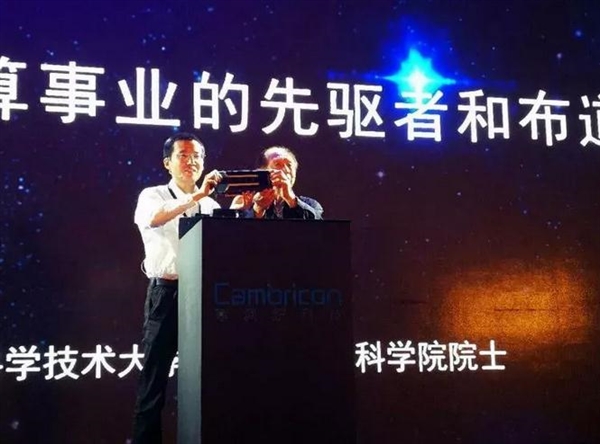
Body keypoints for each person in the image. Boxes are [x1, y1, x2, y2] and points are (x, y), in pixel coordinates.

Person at [131, 132, 222, 444]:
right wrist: (196, 197)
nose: (191, 161)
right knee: (154, 381)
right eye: (183, 155)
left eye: (197, 156)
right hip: (167, 294)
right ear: (167, 163)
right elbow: (155, 219)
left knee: (208, 379)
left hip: (205, 298)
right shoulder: (152, 195)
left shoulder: (211, 204)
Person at [231, 146, 323, 219]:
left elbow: (319, 229)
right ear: (262, 171)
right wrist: (258, 209)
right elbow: (240, 233)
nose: (286, 170)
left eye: (289, 165)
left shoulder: (311, 204)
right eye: (278, 164)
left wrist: (291, 199)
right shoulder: (246, 202)